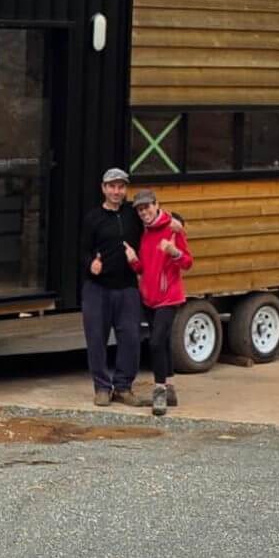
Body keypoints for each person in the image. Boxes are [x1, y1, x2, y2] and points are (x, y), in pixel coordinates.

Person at [125, 189, 193, 416]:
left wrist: (174, 252)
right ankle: (171, 390)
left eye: (147, 207)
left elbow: (187, 262)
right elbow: (144, 269)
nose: (144, 212)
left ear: (156, 205)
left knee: (154, 343)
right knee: (162, 343)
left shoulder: (173, 228)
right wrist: (133, 260)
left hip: (169, 296)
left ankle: (160, 392)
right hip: (150, 298)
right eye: (140, 209)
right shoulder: (145, 232)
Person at [80, 167, 143, 407]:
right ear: (104, 189)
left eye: (121, 187)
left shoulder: (133, 214)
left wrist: (176, 225)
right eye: (112, 187)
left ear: (125, 190)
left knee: (131, 338)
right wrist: (91, 264)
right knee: (96, 339)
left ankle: (123, 387)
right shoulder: (93, 218)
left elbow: (157, 218)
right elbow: (83, 250)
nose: (116, 191)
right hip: (97, 288)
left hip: (127, 287)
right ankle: (102, 388)